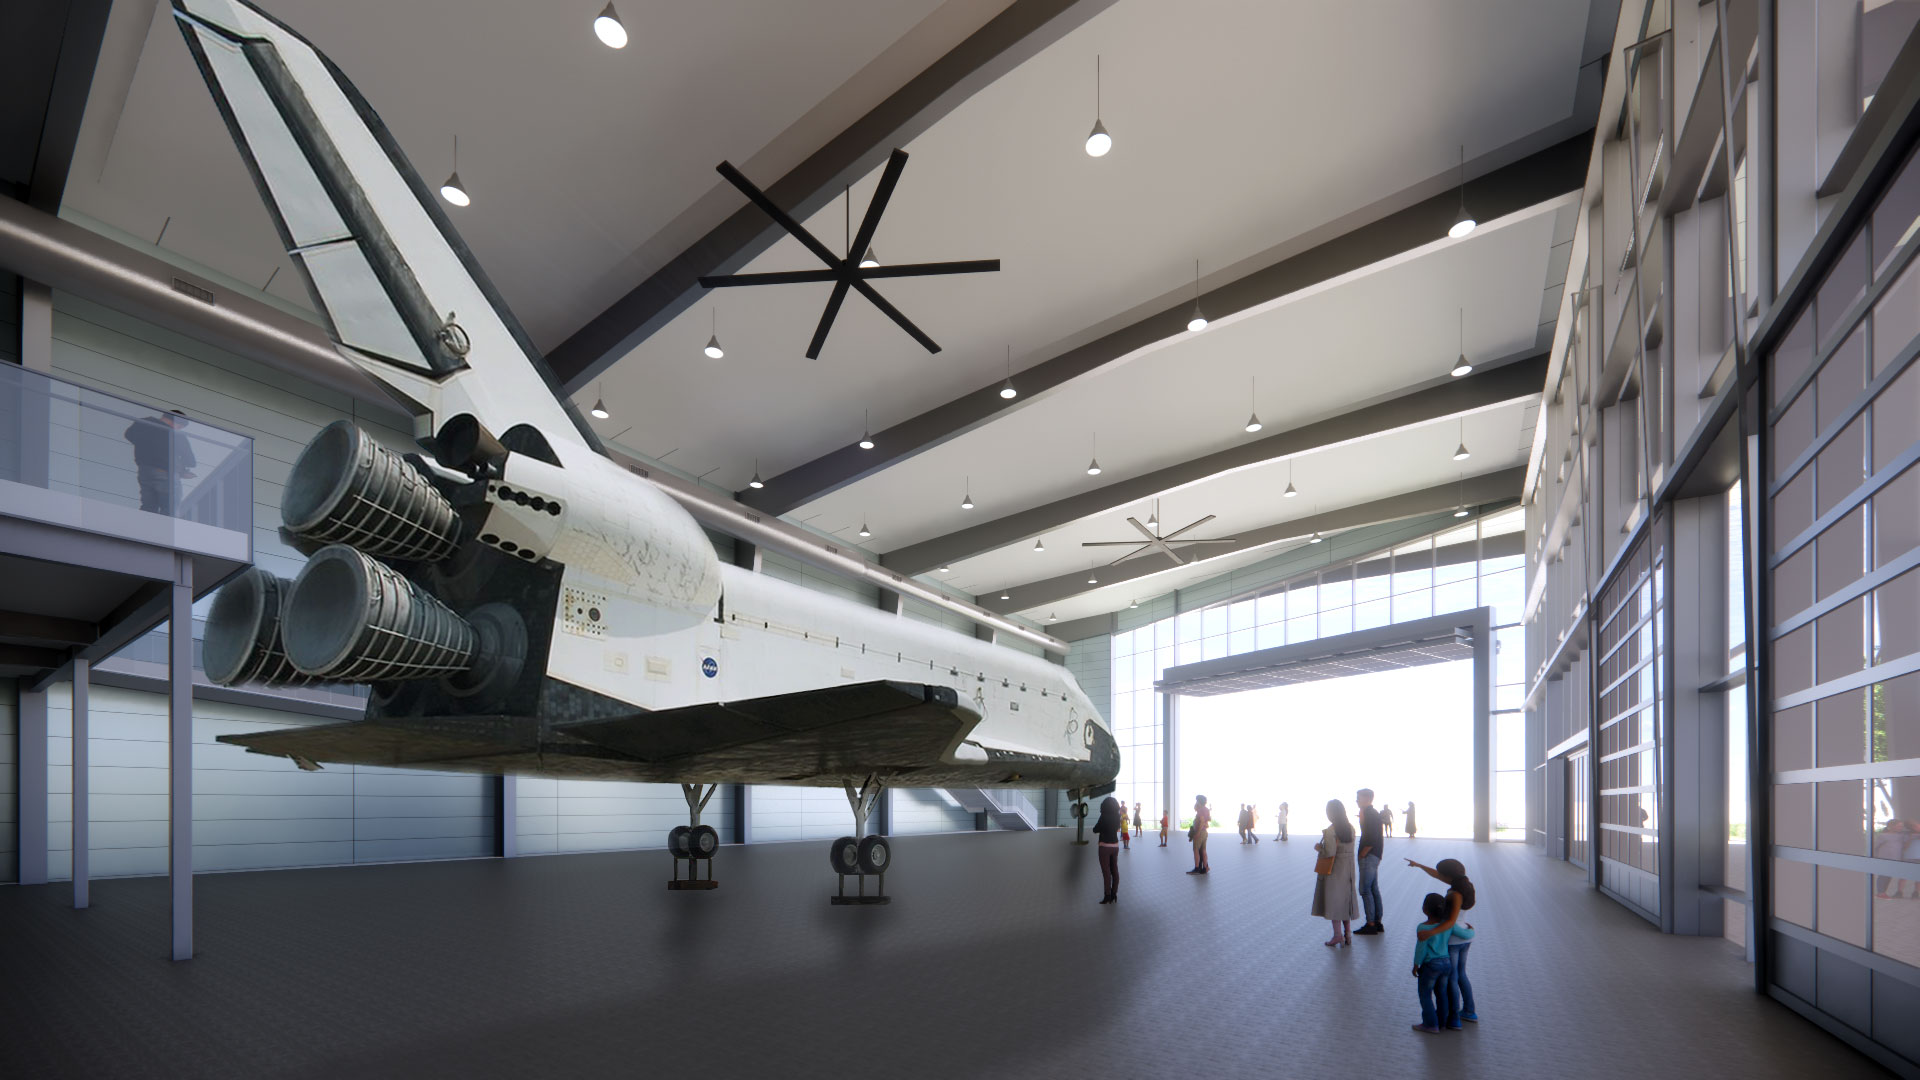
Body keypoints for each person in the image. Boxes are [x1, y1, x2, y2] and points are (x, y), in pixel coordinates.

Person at [1408, 856, 1479, 1023]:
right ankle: (1469, 1010)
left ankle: (1454, 1018)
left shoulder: (1455, 894)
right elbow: (1437, 875)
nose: (1439, 876)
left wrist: (1431, 932)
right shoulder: (1464, 885)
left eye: (1441, 874)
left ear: (1449, 876)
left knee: (1453, 978)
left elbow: (1449, 922)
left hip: (1454, 939)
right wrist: (1419, 865)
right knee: (1461, 975)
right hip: (1464, 935)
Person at [125, 409, 196, 514]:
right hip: (166, 474)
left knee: (149, 506)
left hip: (145, 472)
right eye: (180, 427)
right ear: (177, 423)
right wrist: (182, 470)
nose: (179, 429)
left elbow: (129, 435)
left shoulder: (144, 423)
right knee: (170, 510)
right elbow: (190, 461)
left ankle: (144, 528)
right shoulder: (176, 435)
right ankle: (164, 530)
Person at [1311, 799, 1360, 945]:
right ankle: (1348, 935)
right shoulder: (1350, 828)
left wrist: (1320, 849)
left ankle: (1338, 935)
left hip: (1335, 870)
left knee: (1335, 902)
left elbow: (1329, 852)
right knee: (1346, 901)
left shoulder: (1331, 831)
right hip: (1349, 869)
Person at [1410, 893, 1456, 1034]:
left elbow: (1421, 949)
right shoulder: (1447, 925)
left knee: (1425, 994)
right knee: (1442, 993)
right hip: (1447, 963)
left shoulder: (1423, 928)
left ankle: (1430, 1024)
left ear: (1425, 909)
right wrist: (1470, 931)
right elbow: (1465, 934)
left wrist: (1416, 964)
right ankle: (1442, 1022)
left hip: (1431, 965)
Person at [1353, 788, 1387, 935]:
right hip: (1375, 855)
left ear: (1367, 799)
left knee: (1365, 890)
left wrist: (1363, 853)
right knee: (1373, 889)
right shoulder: (1372, 813)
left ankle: (1371, 924)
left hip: (1369, 856)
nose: (1356, 800)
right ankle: (1377, 922)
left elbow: (1371, 836)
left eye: (1358, 798)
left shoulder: (1369, 813)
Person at [1094, 796, 1123, 903]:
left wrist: (1100, 828)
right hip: (1115, 847)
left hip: (1104, 847)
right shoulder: (1117, 816)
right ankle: (1114, 894)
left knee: (1106, 872)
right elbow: (1116, 829)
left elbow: (1095, 829)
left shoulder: (1103, 816)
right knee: (1114, 870)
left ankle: (1107, 896)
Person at [1187, 795, 1212, 874]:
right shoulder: (1206, 809)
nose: (1196, 802)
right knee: (1203, 850)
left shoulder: (1200, 810)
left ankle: (1197, 868)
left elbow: (1201, 821)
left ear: (1199, 801)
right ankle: (1205, 868)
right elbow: (1209, 819)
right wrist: (1205, 823)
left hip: (1200, 832)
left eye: (1197, 800)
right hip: (1205, 832)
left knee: (1196, 850)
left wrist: (1197, 833)